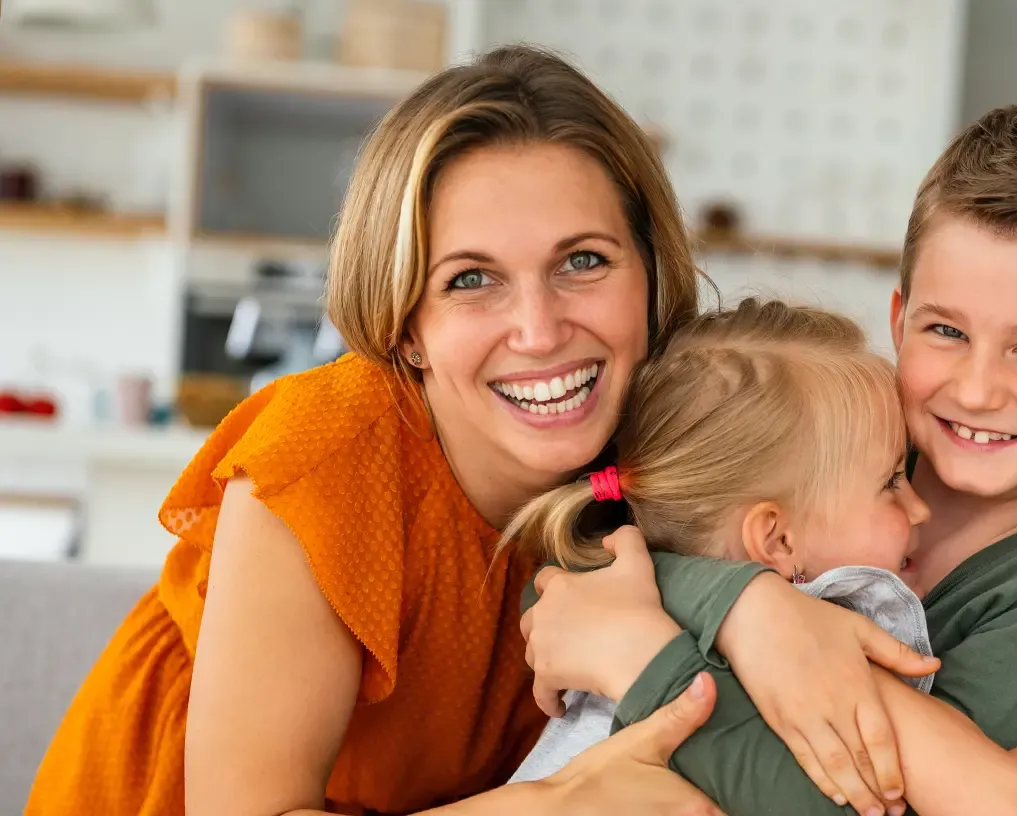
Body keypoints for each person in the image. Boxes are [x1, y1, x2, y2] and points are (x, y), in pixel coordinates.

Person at [24, 45, 743, 815]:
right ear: (405, 327)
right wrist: (550, 807)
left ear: (650, 275)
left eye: (584, 262)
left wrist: (763, 616)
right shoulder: (324, 454)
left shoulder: (668, 445)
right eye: (471, 279)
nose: (538, 330)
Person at [520, 101, 1017, 816]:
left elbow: (877, 802)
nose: (978, 389)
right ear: (899, 321)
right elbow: (579, 576)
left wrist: (649, 658)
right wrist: (749, 605)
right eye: (947, 330)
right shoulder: (827, 445)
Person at [504, 298, 937, 782]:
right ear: (777, 540)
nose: (921, 508)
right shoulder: (752, 676)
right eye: (891, 482)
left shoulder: (617, 604)